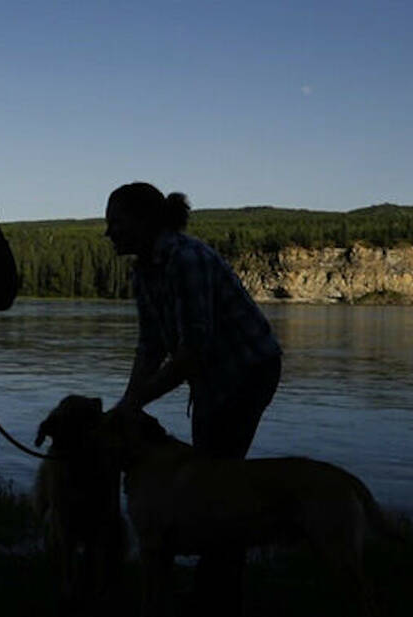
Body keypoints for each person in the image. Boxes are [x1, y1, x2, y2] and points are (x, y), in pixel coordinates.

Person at [106, 182, 282, 617]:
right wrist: (131, 400)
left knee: (219, 481)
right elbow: (151, 345)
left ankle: (218, 594)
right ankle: (215, 588)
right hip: (212, 376)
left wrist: (136, 403)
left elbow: (192, 352)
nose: (108, 232)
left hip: (249, 369)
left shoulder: (184, 260)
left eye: (115, 222)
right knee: (213, 478)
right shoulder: (144, 268)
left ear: (144, 222)